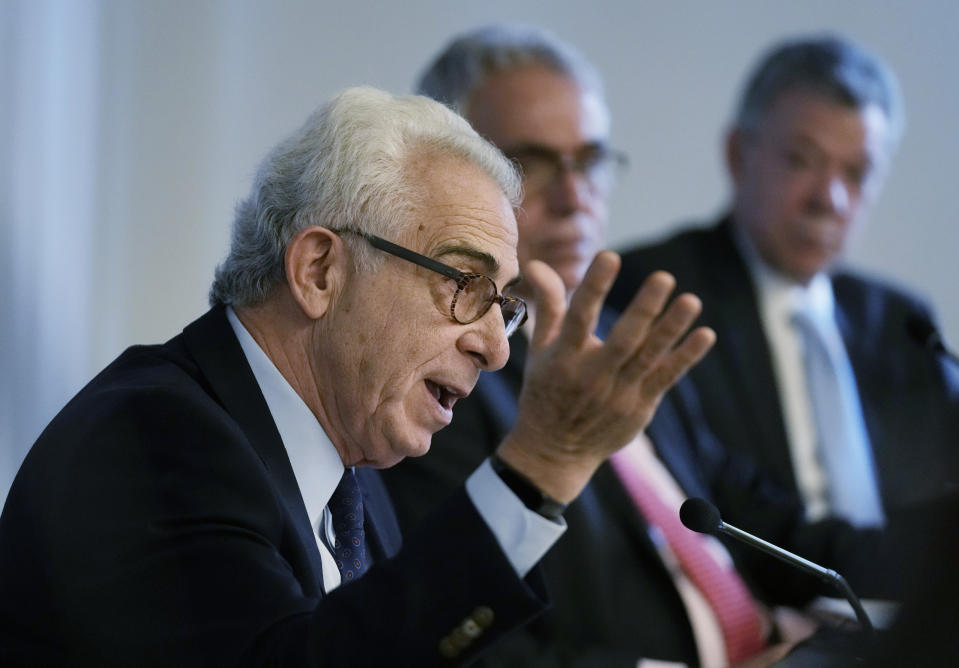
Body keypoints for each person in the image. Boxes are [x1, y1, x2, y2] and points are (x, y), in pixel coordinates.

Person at [0, 87, 714, 666]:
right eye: (464, 282)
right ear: (319, 270)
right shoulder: (152, 440)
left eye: (505, 305)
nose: (496, 347)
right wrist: (542, 465)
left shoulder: (355, 479)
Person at [382, 26, 894, 668]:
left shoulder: (627, 333)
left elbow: (770, 530)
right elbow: (463, 642)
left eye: (591, 161)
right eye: (530, 165)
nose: (575, 197)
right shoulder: (432, 369)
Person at [607, 34, 959, 528]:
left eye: (857, 172)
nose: (830, 199)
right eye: (801, 160)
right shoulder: (656, 291)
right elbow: (695, 505)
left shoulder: (903, 322)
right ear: (737, 155)